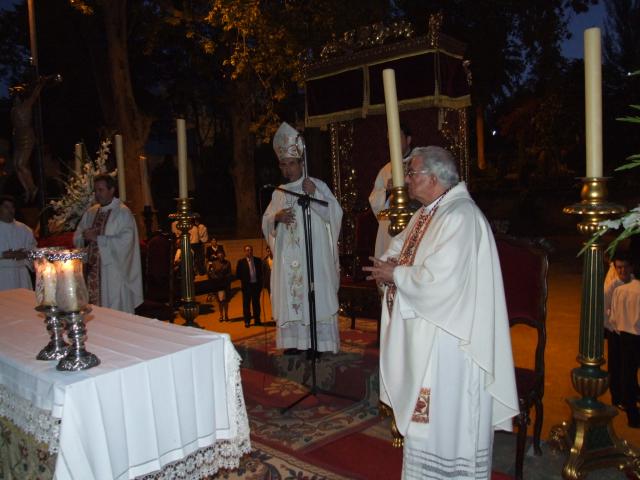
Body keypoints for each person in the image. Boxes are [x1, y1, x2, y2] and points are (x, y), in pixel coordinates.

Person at [363, 146, 518, 479]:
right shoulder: (428, 213)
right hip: (430, 337)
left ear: (433, 177)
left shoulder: (461, 216)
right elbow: (402, 248)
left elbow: (442, 281)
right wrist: (391, 263)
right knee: (426, 426)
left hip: (450, 344)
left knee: (446, 422)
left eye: (413, 173)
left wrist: (396, 275)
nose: (407, 180)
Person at [262, 122, 342, 354]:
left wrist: (314, 194)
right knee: (293, 296)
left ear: (301, 163)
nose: (288, 170)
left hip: (313, 256)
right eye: (283, 165)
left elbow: (335, 215)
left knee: (313, 294)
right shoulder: (278, 192)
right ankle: (294, 342)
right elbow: (267, 222)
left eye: (292, 164)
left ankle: (317, 343)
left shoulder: (316, 185)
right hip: (289, 260)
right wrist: (276, 218)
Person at [74, 174, 143, 314]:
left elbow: (126, 241)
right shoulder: (91, 212)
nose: (97, 194)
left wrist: (99, 239)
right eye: (95, 191)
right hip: (93, 270)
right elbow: (78, 234)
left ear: (112, 190)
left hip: (113, 272)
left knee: (114, 310)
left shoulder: (122, 213)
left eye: (101, 190)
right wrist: (84, 237)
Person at [368, 123, 413, 259]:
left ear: (408, 139)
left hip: (411, 222)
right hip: (389, 227)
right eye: (390, 140)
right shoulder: (386, 169)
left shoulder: (419, 163)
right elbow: (374, 200)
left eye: (397, 137)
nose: (393, 143)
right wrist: (387, 192)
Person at [609, 261, 640, 428]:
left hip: (624, 336)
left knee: (627, 374)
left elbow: (613, 317)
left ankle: (632, 415)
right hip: (636, 335)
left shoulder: (619, 290)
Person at [604, 252, 634, 409]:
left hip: (631, 332)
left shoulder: (634, 282)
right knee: (616, 366)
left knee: (629, 365)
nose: (622, 271)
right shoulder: (611, 287)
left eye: (625, 267)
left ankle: (630, 392)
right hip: (615, 331)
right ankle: (617, 398)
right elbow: (604, 310)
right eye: (619, 268)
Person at [10, 78, 46, 203]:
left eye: (17, 97)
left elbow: (35, 94)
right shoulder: (13, 110)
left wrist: (41, 84)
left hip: (26, 136)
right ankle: (27, 189)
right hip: (18, 138)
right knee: (16, 165)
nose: (16, 99)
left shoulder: (27, 105)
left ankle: (33, 187)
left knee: (21, 163)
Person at [0, 195, 36, 291]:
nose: (10, 210)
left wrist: (25, 254)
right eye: (6, 207)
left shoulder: (25, 229)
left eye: (12, 207)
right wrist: (3, 254)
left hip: (21, 275)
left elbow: (33, 250)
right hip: (2, 275)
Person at [235, 245, 263, 327]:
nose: (249, 252)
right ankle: (247, 321)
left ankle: (257, 320)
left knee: (256, 304)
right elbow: (238, 275)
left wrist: (260, 284)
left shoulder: (258, 260)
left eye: (250, 250)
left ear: (252, 251)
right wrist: (245, 280)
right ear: (245, 252)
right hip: (246, 287)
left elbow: (261, 273)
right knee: (246, 304)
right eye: (247, 250)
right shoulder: (241, 262)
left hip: (256, 286)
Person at [207, 250, 232, 322]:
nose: (220, 256)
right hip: (218, 284)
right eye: (219, 255)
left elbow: (230, 273)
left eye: (222, 255)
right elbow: (210, 273)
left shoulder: (227, 263)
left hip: (225, 284)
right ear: (217, 256)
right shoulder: (214, 263)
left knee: (226, 301)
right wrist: (216, 278)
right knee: (220, 301)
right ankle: (221, 315)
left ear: (224, 255)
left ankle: (226, 315)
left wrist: (225, 277)